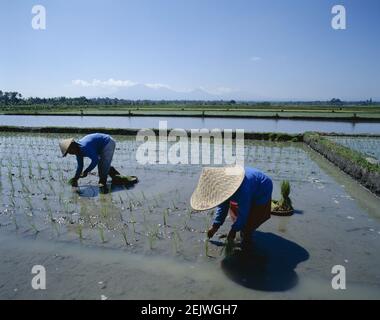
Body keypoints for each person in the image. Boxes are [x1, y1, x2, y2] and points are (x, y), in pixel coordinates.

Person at [190, 166, 273, 249]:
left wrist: (233, 230)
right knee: (236, 213)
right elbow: (222, 206)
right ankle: (241, 228)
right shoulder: (222, 185)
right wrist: (215, 225)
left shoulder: (242, 190)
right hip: (249, 187)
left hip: (262, 188)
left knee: (250, 221)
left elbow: (243, 212)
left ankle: (247, 241)